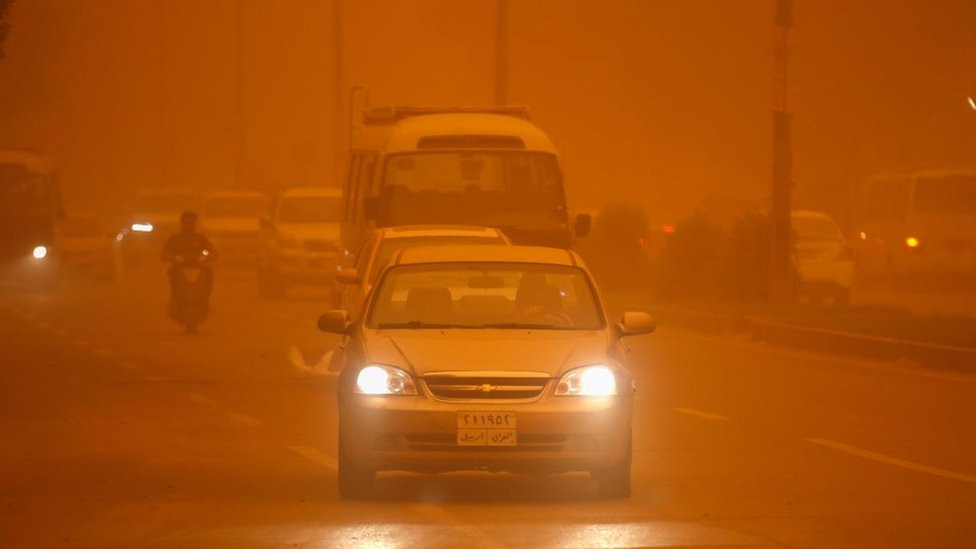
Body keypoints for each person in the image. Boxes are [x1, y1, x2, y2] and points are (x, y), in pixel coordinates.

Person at [161, 210, 216, 314]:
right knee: (171, 273)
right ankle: (175, 297)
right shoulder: (175, 239)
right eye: (186, 222)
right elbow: (166, 251)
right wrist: (168, 256)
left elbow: (210, 250)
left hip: (198, 266)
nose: (189, 225)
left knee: (209, 272)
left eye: (191, 223)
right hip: (179, 267)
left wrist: (209, 255)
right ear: (182, 223)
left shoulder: (200, 238)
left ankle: (205, 299)